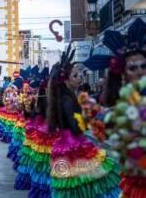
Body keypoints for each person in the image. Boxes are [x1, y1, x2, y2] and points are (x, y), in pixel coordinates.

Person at [48, 45, 121, 198]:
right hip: (74, 146)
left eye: (80, 74)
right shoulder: (67, 100)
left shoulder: (66, 97)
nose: (80, 77)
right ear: (66, 80)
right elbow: (76, 128)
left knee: (77, 186)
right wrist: (90, 117)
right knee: (84, 184)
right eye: (75, 75)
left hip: (66, 146)